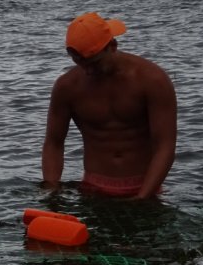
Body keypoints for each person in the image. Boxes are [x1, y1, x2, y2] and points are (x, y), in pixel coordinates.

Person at [42, 12, 177, 199]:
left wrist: (142, 197)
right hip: (92, 189)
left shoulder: (152, 80)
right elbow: (54, 143)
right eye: (80, 63)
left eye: (95, 63)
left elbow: (165, 145)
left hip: (145, 188)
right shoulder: (67, 87)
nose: (88, 71)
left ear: (112, 47)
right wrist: (51, 189)